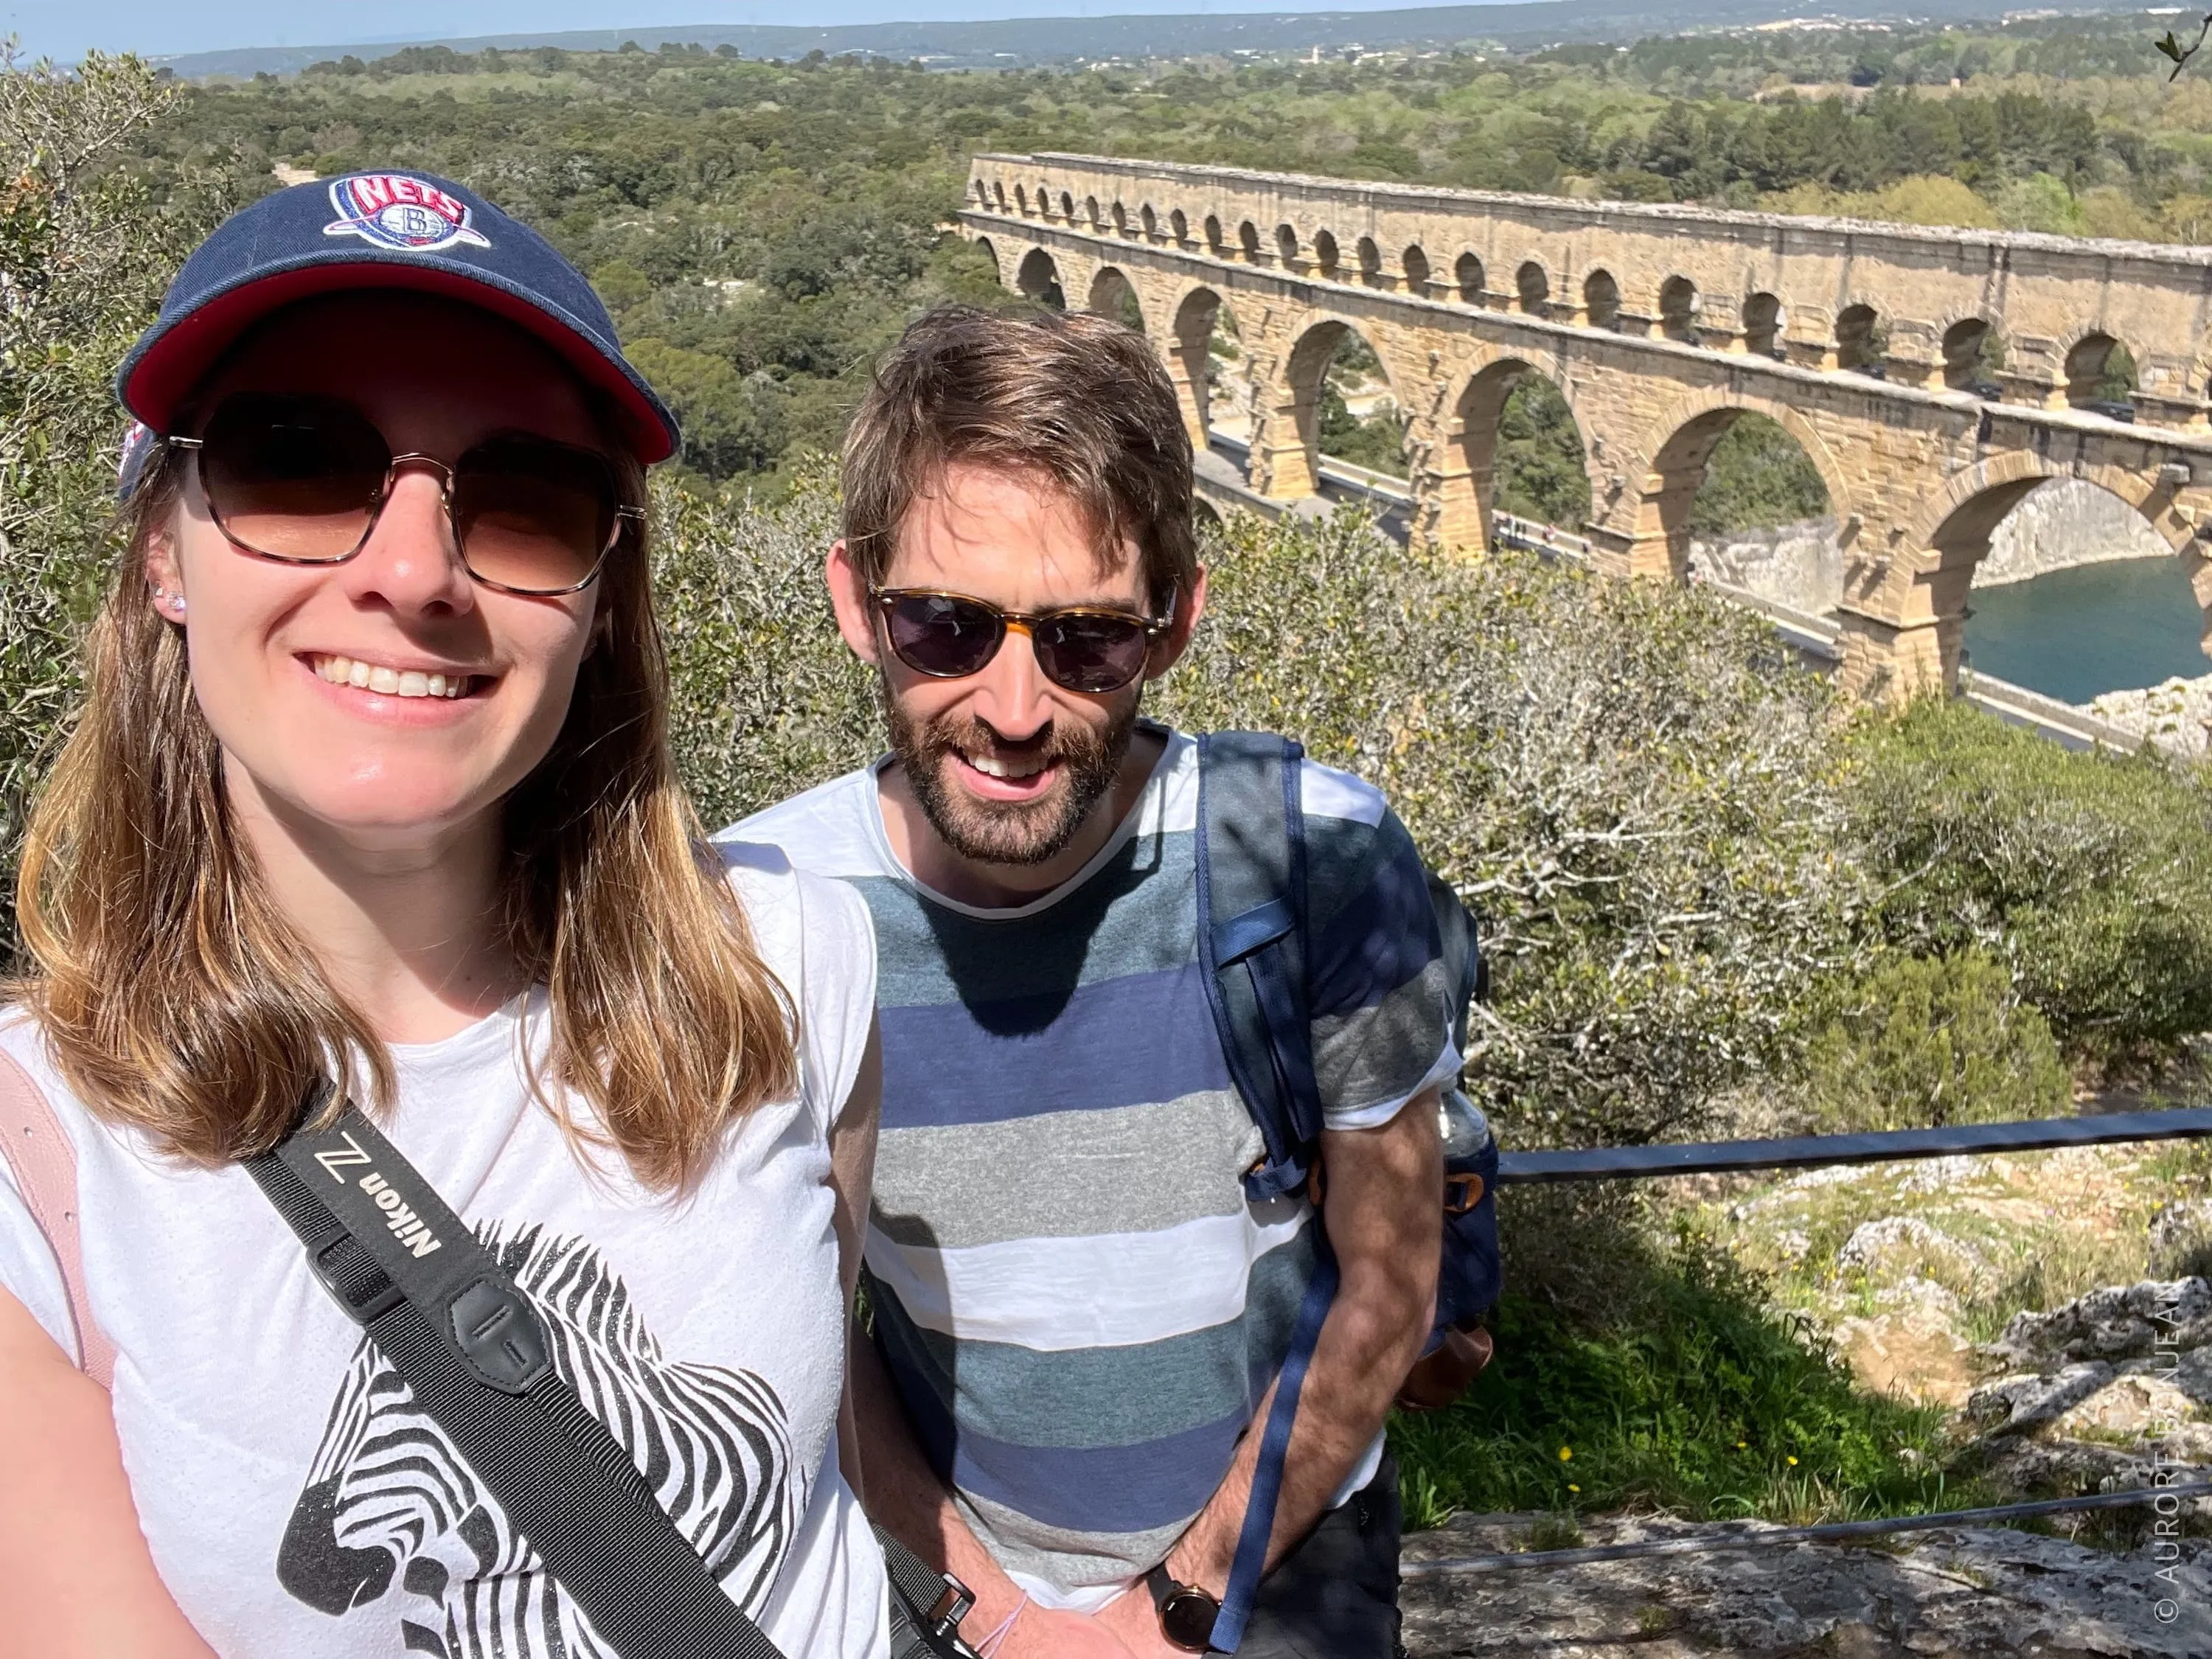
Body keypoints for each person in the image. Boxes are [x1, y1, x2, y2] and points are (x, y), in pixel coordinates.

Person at [0, 173, 887, 1658]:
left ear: (604, 596)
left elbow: (816, 1482)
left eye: (529, 498)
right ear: (163, 549)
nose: (412, 573)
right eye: (298, 464)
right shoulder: (38, 1165)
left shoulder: (792, 965)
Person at [733, 306, 1455, 1659]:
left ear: (1173, 624)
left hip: (1279, 1550)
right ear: (854, 605)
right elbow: (791, 1334)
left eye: (1085, 641)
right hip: (942, 1578)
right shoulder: (763, 916)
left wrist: (1175, 1601)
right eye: (945, 626)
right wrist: (991, 1612)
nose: (1012, 707)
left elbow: (1388, 1282)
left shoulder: (1323, 859)